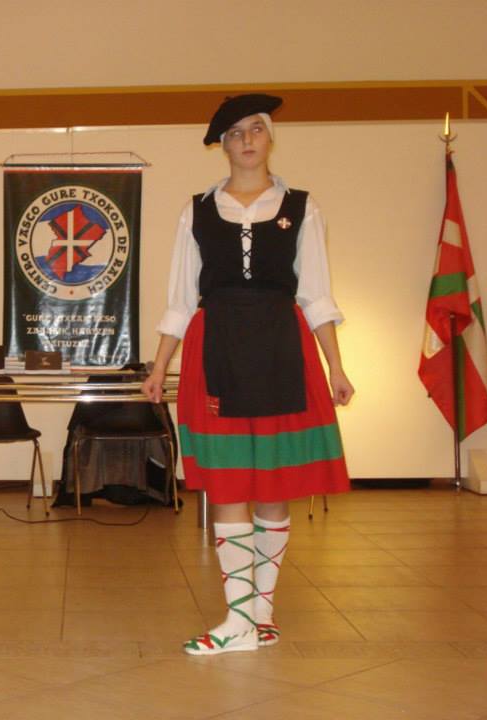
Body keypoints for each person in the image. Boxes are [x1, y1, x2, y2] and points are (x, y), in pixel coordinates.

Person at [142, 94, 353, 656]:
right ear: (224, 145)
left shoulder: (303, 208)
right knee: (231, 482)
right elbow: (180, 299)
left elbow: (316, 294)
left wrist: (336, 367)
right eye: (235, 133)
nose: (247, 139)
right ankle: (238, 618)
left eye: (256, 129)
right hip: (219, 351)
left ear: (269, 138)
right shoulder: (197, 211)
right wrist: (159, 367)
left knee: (275, 485)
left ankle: (261, 613)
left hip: (283, 346)